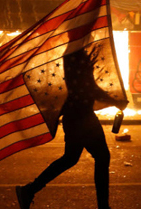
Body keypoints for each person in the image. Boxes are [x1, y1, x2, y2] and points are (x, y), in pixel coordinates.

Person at [16, 49, 127, 209]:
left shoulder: (75, 52)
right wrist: (115, 101)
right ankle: (103, 206)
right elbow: (89, 87)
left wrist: (113, 100)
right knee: (100, 157)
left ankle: (30, 190)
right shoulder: (75, 54)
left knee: (71, 158)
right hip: (81, 117)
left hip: (77, 116)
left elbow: (88, 86)